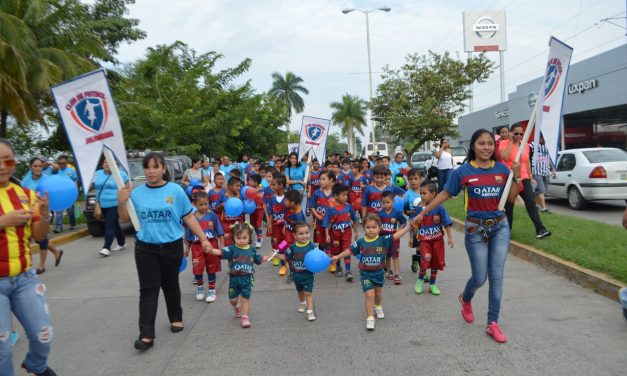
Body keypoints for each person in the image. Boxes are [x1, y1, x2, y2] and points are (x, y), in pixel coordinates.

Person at [413, 128, 523, 343]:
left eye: (490, 143)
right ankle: (466, 297)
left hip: (500, 227)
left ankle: (493, 323)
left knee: (497, 278)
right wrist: (423, 212)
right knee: (480, 277)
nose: (486, 147)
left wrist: (516, 177)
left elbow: (510, 199)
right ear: (473, 146)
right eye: (481, 143)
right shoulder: (462, 172)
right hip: (475, 230)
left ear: (495, 146)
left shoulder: (502, 169)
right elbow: (445, 194)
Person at [117, 152, 213, 351]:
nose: (151, 171)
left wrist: (203, 239)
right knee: (148, 290)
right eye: (147, 167)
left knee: (170, 285)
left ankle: (175, 317)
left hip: (172, 247)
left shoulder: (176, 191)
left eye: (155, 166)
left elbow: (188, 218)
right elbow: (126, 219)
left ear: (163, 169)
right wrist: (121, 201)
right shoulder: (136, 193)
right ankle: (146, 335)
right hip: (145, 248)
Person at [0, 139, 57, 375]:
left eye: (8, 160)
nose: (3, 167)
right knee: (2, 348)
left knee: (43, 335)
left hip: (25, 278)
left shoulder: (26, 194)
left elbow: (38, 235)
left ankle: (35, 365)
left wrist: (44, 216)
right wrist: (3, 222)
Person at [332, 214, 411, 331]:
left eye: (374, 227)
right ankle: (370, 318)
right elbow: (349, 250)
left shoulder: (384, 240)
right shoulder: (360, 242)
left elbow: (397, 235)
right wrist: (338, 256)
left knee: (378, 295)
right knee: (369, 295)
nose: (371, 230)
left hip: (379, 273)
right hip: (365, 273)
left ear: (379, 228)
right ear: (364, 228)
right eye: (368, 227)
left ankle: (378, 306)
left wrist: (409, 227)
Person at [207, 223, 270, 328]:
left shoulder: (252, 249)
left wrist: (267, 257)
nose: (241, 240)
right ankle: (236, 307)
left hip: (247, 278)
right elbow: (220, 252)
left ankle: (245, 317)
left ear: (249, 237)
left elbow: (259, 259)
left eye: (244, 238)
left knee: (245, 299)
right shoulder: (231, 249)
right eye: (238, 238)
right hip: (234, 279)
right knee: (233, 300)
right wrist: (211, 250)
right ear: (233, 238)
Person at [499, 125, 551, 239]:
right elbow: (506, 158)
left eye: (521, 134)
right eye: (516, 133)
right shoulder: (504, 143)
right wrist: (510, 143)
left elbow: (526, 162)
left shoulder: (525, 145)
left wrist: (530, 176)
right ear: (511, 133)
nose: (518, 136)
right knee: (509, 205)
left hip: (524, 177)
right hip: (510, 177)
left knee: (531, 203)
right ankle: (507, 232)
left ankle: (540, 230)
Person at [21, 157, 63, 274]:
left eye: (40, 166)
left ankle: (41, 265)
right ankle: (56, 252)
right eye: (35, 166)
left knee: (42, 238)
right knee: (36, 238)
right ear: (30, 167)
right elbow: (21, 195)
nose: (38, 168)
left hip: (44, 212)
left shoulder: (47, 179)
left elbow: (54, 193)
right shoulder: (26, 180)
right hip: (30, 212)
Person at [412, 181, 453, 295]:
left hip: (437, 241)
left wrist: (450, 237)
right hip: (425, 241)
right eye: (420, 193)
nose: (422, 196)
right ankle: (420, 280)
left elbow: (447, 223)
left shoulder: (440, 209)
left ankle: (432, 284)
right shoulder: (420, 209)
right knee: (425, 260)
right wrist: (412, 237)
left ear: (433, 194)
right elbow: (414, 224)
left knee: (436, 262)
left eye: (424, 193)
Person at [184, 191, 224, 303]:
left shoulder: (213, 216)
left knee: (211, 269)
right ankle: (200, 288)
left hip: (212, 247)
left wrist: (222, 245)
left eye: (206, 204)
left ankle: (212, 290)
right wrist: (187, 249)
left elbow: (220, 232)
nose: (203, 207)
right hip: (197, 248)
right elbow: (188, 236)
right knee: (197, 269)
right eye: (200, 204)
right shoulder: (191, 218)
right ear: (195, 204)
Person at [279, 222, 317, 321]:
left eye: (307, 233)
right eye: (301, 234)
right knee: (300, 291)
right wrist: (275, 255)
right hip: (296, 274)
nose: (304, 236)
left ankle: (310, 311)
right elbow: (285, 257)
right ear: (294, 235)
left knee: (308, 293)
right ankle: (302, 303)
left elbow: (318, 258)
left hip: (308, 274)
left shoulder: (312, 247)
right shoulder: (292, 247)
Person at [322, 183, 358, 281]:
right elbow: (326, 222)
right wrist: (327, 234)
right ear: (335, 196)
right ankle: (338, 267)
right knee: (336, 251)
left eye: (346, 195)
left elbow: (354, 220)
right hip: (335, 234)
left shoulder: (349, 207)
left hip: (347, 232)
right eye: (343, 195)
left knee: (347, 251)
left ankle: (348, 271)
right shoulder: (330, 208)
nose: (346, 197)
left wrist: (356, 231)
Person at [94, 160, 128, 257]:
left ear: (114, 164)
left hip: (114, 204)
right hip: (101, 205)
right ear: (102, 164)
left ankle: (106, 247)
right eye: (105, 162)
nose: (107, 164)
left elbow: (128, 187)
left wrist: (124, 201)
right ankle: (122, 243)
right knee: (114, 224)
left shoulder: (120, 174)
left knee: (109, 225)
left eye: (109, 162)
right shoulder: (97, 174)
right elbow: (90, 184)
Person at [378, 191, 407, 285]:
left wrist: (399, 231)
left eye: (388, 202)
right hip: (383, 238)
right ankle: (388, 271)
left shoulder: (397, 212)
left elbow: (403, 222)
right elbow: (375, 224)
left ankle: (397, 274)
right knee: (386, 255)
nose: (385, 204)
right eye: (383, 202)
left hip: (394, 238)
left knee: (395, 255)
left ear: (393, 201)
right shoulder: (379, 214)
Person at [265, 174, 288, 276]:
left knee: (285, 244)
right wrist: (269, 224)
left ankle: (287, 262)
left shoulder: (288, 197)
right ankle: (282, 264)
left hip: (286, 227)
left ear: (281, 185)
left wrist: (287, 224)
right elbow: (270, 213)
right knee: (276, 244)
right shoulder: (272, 198)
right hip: (275, 227)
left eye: (274, 185)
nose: (272, 187)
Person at [310, 171, 335, 261]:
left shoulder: (335, 193)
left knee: (331, 240)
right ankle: (321, 258)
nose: (321, 181)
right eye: (320, 179)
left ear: (331, 180)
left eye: (323, 179)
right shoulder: (317, 193)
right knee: (321, 241)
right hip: (320, 222)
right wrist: (317, 215)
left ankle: (331, 260)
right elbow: (312, 206)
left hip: (331, 223)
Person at [50, 155, 78, 233]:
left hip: (69, 193)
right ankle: (59, 227)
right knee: (59, 211)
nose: (62, 165)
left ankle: (72, 224)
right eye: (60, 163)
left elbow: (75, 181)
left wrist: (75, 192)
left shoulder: (71, 171)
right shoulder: (55, 171)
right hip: (58, 193)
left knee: (70, 211)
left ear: (66, 162)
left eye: (63, 163)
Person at [403, 168, 424, 274]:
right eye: (410, 179)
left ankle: (416, 258)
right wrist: (411, 213)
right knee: (419, 246)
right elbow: (405, 211)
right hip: (415, 225)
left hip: (427, 224)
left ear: (421, 179)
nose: (413, 181)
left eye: (416, 178)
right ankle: (423, 272)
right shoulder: (407, 194)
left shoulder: (426, 191)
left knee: (426, 246)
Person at [531, 134, 556, 213]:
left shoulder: (548, 146)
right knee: (541, 189)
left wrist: (552, 170)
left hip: (546, 170)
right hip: (536, 171)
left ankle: (533, 205)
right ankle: (544, 208)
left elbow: (550, 159)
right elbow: (528, 156)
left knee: (541, 190)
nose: (543, 139)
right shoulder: (532, 145)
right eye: (542, 138)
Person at [221, 177, 245, 246]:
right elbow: (216, 209)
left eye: (240, 186)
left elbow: (244, 211)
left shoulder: (241, 197)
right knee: (228, 247)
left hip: (238, 225)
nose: (239, 188)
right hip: (226, 227)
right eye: (237, 186)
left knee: (240, 245)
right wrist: (221, 206)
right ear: (230, 186)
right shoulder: (223, 196)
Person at [247, 174, 265, 249]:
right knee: (253, 224)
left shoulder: (262, 190)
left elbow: (264, 200)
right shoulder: (249, 190)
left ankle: (259, 239)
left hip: (260, 210)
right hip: (252, 210)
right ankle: (259, 236)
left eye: (250, 181)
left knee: (259, 224)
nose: (249, 182)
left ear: (256, 182)